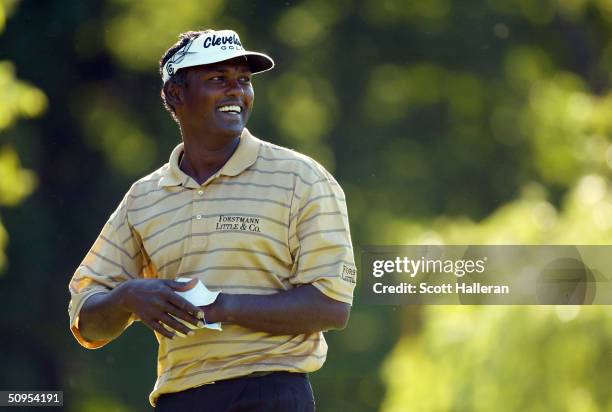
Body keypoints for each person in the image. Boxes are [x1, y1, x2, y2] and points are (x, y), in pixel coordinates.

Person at [67, 29, 357, 411]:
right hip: (180, 398)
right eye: (218, 80)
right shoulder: (144, 197)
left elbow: (331, 306)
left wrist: (218, 306)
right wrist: (128, 297)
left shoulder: (302, 178)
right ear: (176, 94)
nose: (236, 91)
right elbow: (86, 320)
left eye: (243, 80)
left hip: (271, 393)